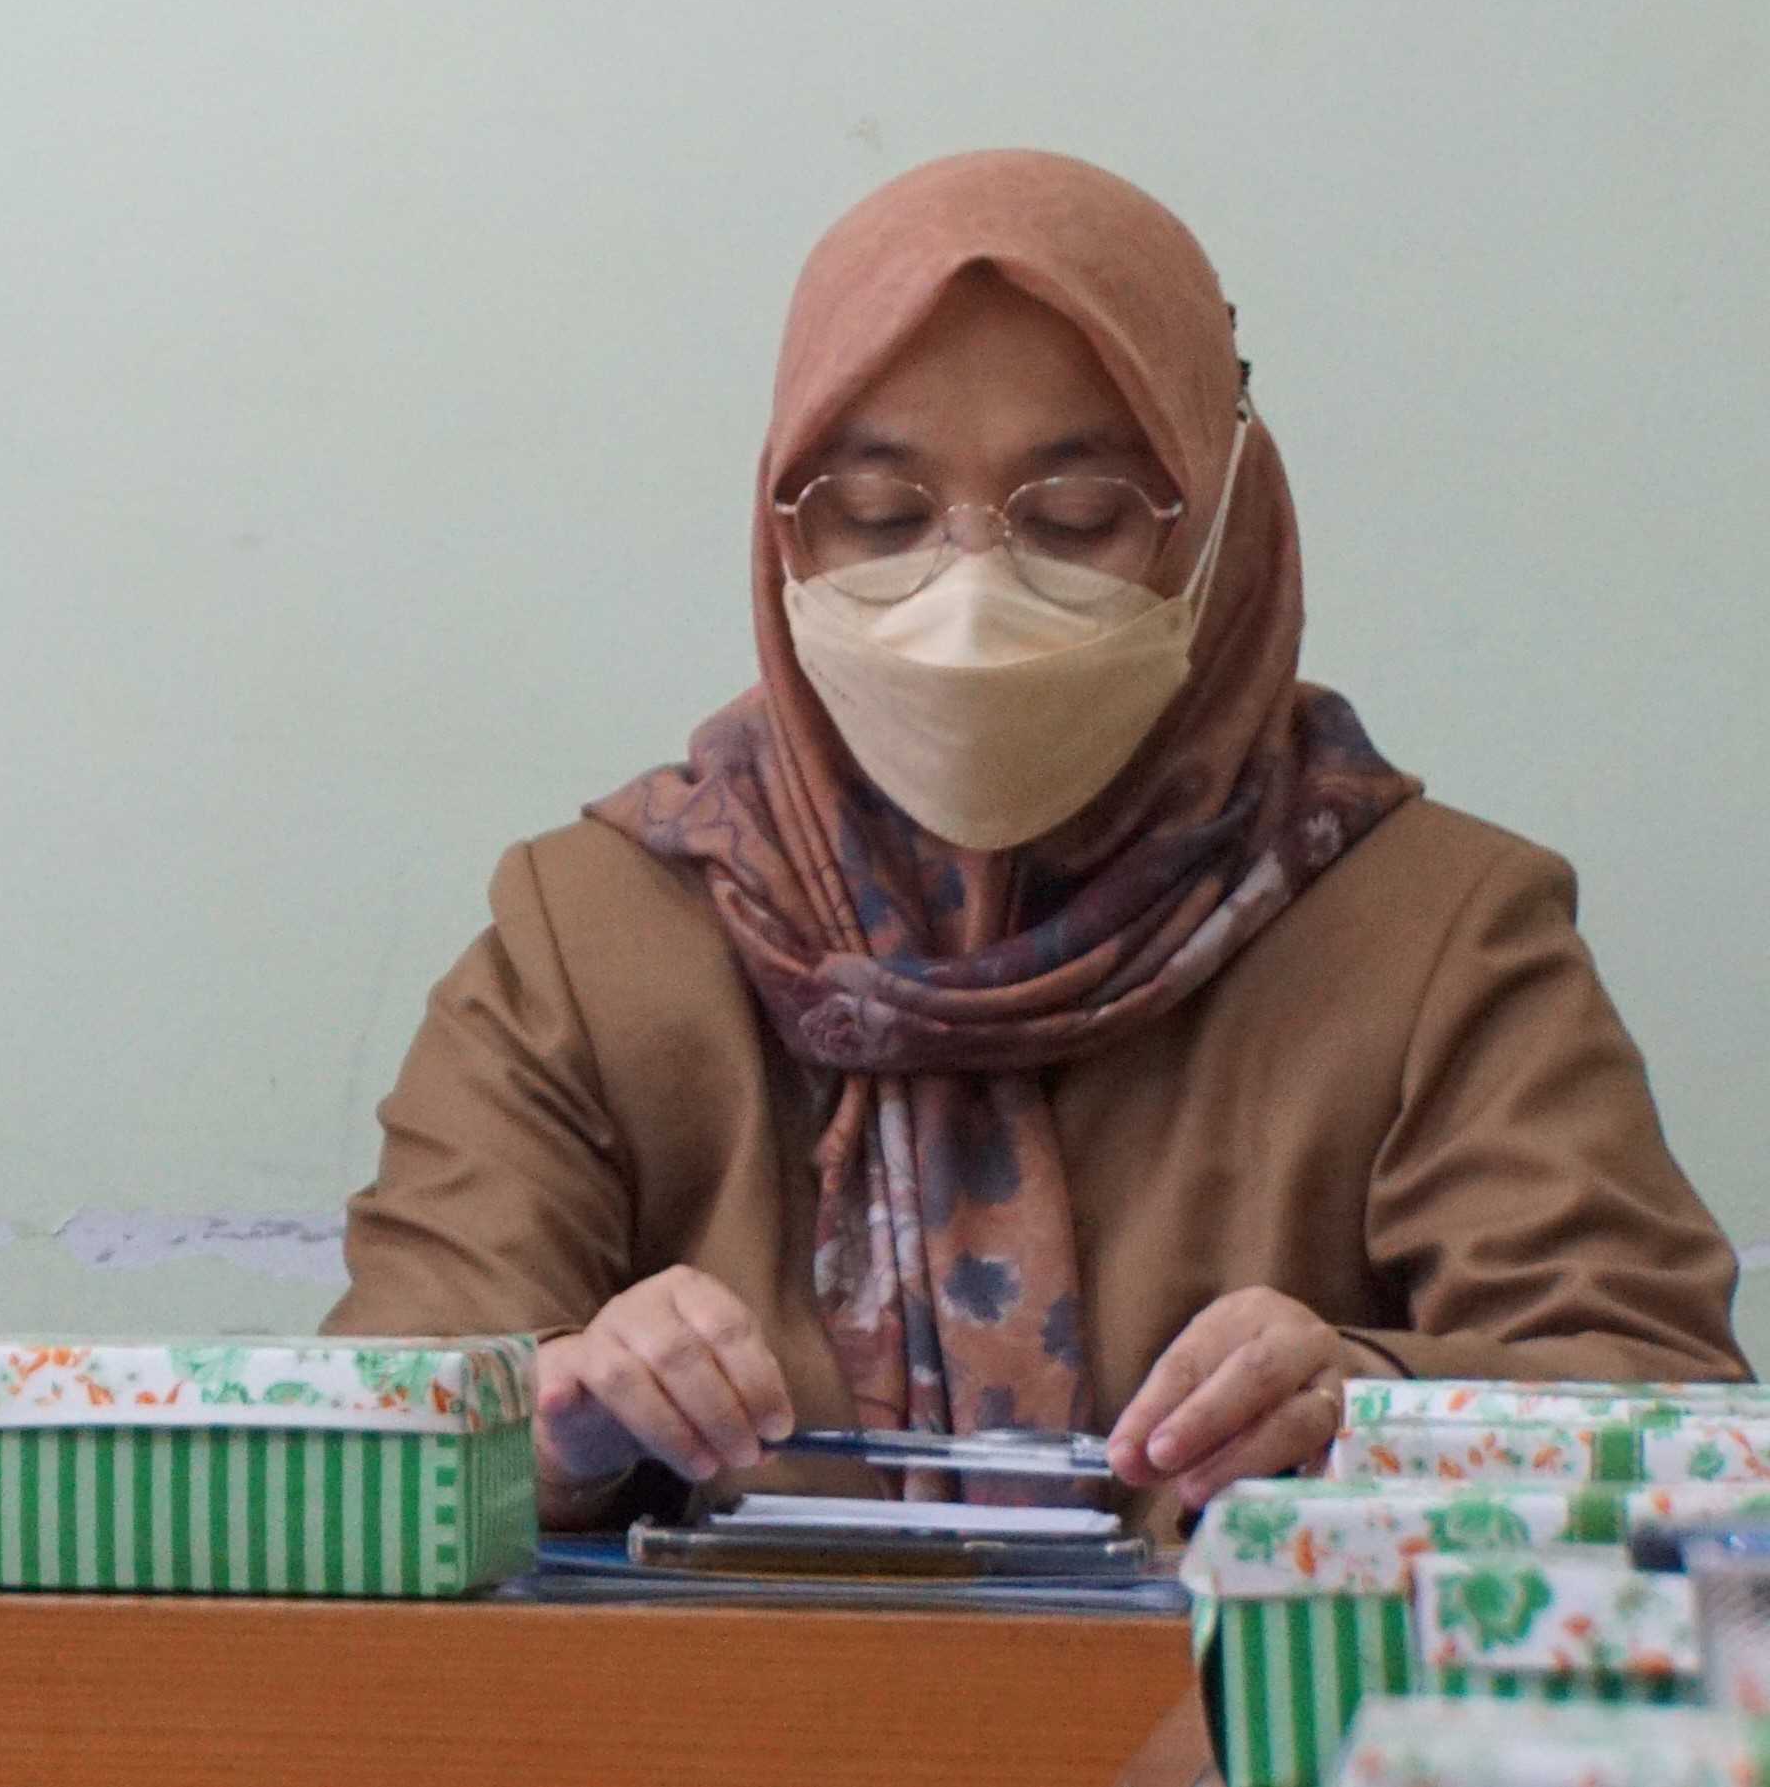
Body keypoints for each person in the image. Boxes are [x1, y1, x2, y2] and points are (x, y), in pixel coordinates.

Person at [335, 150, 1740, 1511]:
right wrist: (558, 1423)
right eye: (875, 514)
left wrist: (1370, 1406)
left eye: (1080, 517)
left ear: (1223, 526)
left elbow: (1666, 1421)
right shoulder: (594, 942)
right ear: (778, 530)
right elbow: (359, 1439)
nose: (969, 594)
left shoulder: (1438, 935)